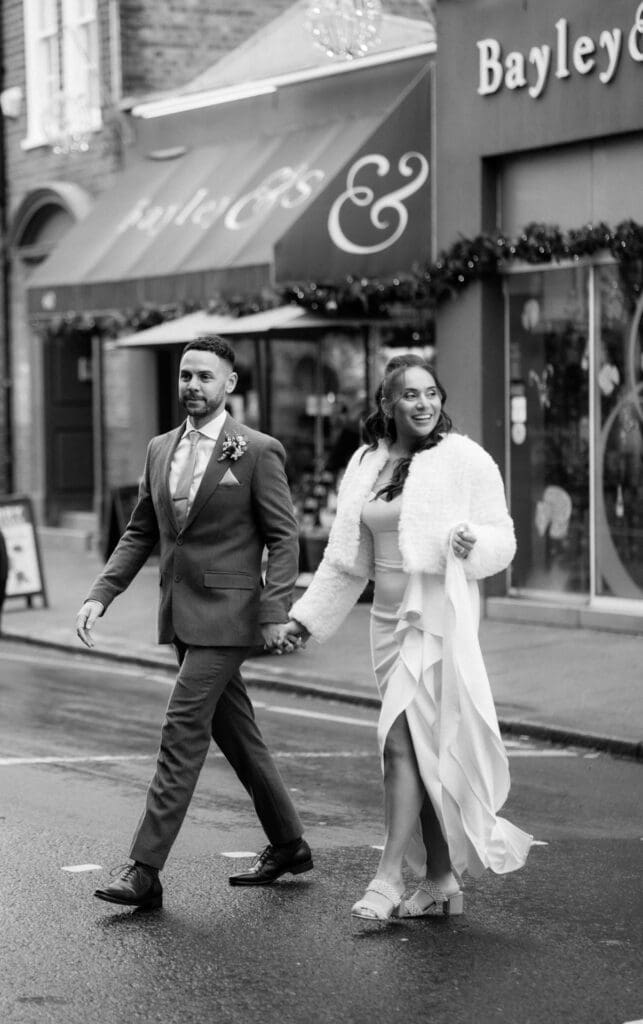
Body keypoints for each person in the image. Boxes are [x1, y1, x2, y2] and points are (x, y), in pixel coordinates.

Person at [282, 354, 532, 921]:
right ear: (387, 404)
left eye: (432, 394)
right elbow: (345, 563)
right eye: (411, 396)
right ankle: (442, 880)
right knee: (423, 752)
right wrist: (306, 621)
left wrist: (471, 542)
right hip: (385, 624)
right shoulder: (367, 462)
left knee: (397, 743)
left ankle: (389, 877)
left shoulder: (463, 458)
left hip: (434, 619)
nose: (424, 404)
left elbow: (503, 539)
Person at [75, 336, 311, 911]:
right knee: (237, 734)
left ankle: (144, 868)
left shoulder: (256, 450)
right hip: (180, 616)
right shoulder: (159, 449)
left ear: (230, 384)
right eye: (185, 376)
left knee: (181, 731)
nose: (192, 387)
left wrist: (275, 609)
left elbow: (284, 538)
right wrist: (101, 594)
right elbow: (141, 531)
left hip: (231, 618)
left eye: (205, 377)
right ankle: (290, 845)